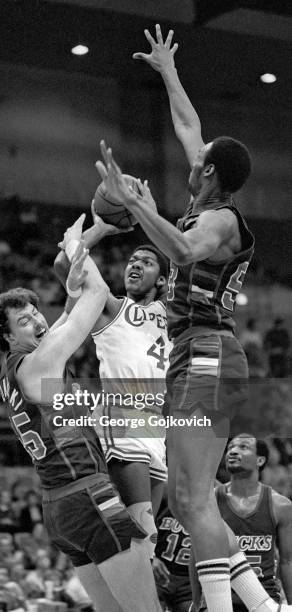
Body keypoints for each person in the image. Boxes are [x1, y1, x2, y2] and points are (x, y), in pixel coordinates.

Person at [95, 24, 292, 612]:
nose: (192, 155)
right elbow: (189, 126)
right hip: (192, 355)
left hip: (209, 351)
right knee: (186, 500)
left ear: (208, 171)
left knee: (192, 500)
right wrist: (168, 71)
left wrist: (133, 205)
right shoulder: (201, 201)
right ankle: (266, 607)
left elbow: (179, 254)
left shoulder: (221, 222)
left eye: (199, 159)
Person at [0, 214, 161, 612]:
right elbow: (95, 296)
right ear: (10, 337)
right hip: (86, 495)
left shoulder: (17, 368)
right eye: (24, 321)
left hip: (59, 509)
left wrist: (96, 235)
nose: (37, 320)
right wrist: (76, 243)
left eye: (35, 312)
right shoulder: (39, 363)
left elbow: (65, 316)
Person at [54, 209, 171, 559]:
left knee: (145, 543)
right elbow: (64, 265)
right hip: (121, 417)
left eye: (146, 262)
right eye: (132, 260)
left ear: (163, 280)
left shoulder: (173, 313)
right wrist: (99, 230)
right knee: (142, 529)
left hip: (156, 426)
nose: (135, 265)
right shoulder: (111, 308)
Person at [193, 435, 292, 611]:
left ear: (260, 460)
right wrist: (196, 599)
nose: (233, 451)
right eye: (230, 447)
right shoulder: (210, 500)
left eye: (243, 447)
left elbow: (287, 562)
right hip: (219, 595)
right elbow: (196, 554)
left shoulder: (280, 505)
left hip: (265, 596)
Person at [154, 505, 192, 612]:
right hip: (157, 574)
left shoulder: (215, 508)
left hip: (189, 584)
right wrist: (150, 557)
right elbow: (140, 532)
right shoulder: (162, 496)